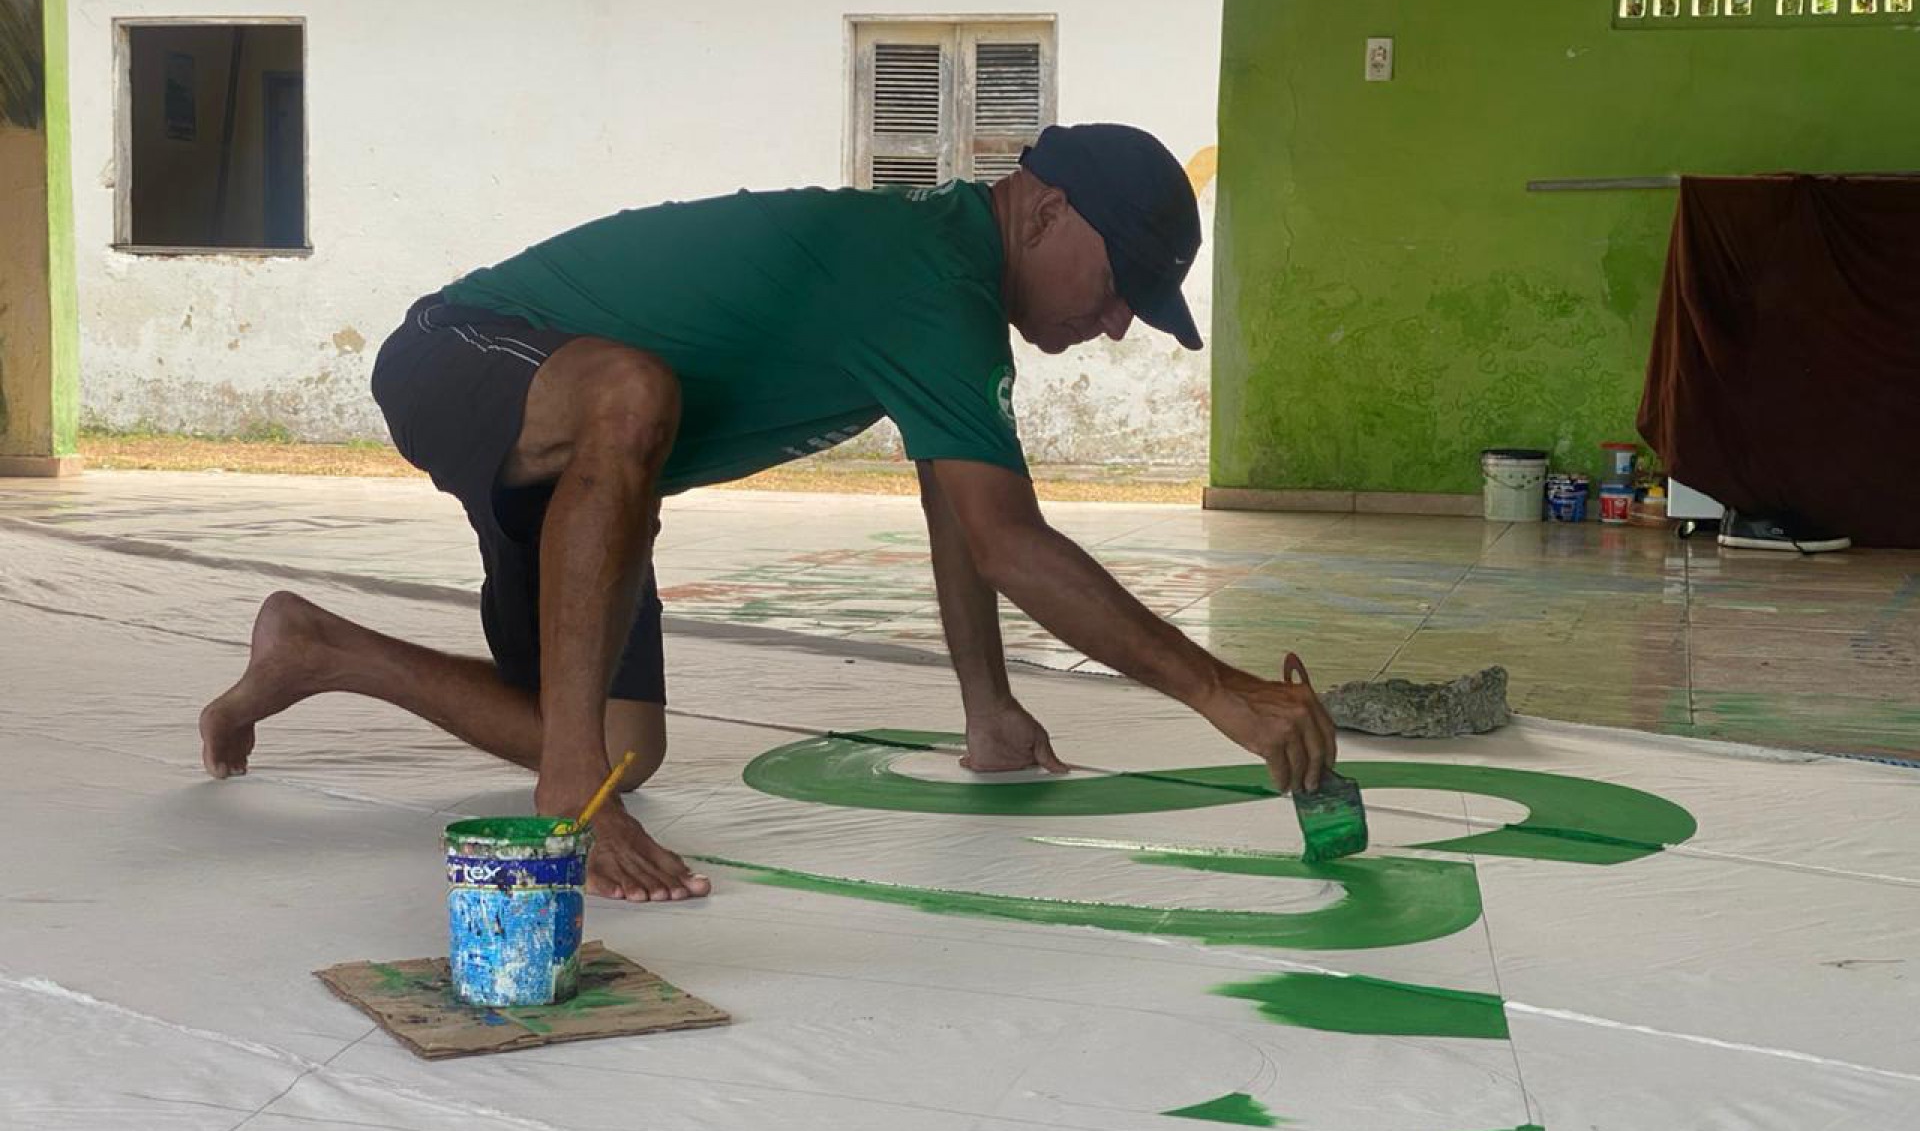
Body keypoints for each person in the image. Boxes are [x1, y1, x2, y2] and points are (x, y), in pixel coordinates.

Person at [199, 123, 1338, 902]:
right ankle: (563, 799)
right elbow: (1007, 541)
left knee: (621, 748)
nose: (1119, 321)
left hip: (585, 479)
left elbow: (963, 511)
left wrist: (989, 711)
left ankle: (320, 649)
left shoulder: (948, 303)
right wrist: (1221, 694)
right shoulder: (923, 269)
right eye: (1122, 281)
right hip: (465, 350)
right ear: (1043, 210)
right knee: (633, 395)